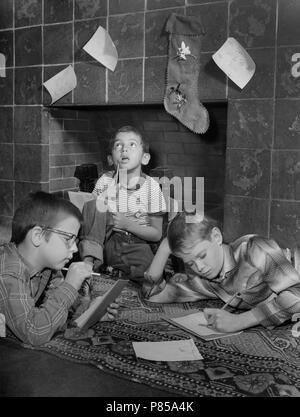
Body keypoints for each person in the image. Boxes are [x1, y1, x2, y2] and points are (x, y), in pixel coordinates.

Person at [142, 212, 300, 333]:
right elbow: (153, 295)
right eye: (190, 263)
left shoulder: (253, 248)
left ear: (216, 236)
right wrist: (164, 247)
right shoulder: (205, 282)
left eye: (202, 255)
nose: (200, 267)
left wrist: (240, 321)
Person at [0, 191, 118, 346]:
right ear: (38, 235)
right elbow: (35, 332)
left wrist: (91, 311)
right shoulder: (8, 271)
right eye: (68, 239)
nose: (75, 249)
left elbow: (61, 311)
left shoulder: (49, 270)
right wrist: (69, 286)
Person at [79, 125, 166, 281]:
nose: (124, 149)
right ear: (111, 159)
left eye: (132, 144)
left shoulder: (151, 186)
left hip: (135, 241)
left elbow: (156, 234)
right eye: (118, 145)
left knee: (151, 278)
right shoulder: (105, 180)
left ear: (144, 158)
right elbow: (91, 215)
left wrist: (128, 225)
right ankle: (89, 261)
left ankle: (114, 269)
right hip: (105, 239)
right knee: (94, 205)